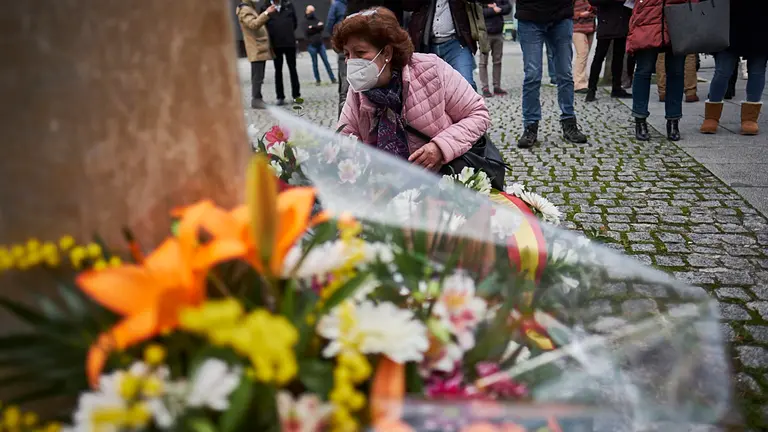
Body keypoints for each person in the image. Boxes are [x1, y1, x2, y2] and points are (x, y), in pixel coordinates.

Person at [335, 7, 490, 172]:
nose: (350, 62)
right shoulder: (358, 91)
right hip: (384, 187)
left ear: (387, 52)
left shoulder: (431, 69)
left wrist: (440, 147)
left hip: (441, 179)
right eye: (346, 54)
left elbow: (478, 114)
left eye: (359, 53)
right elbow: (345, 140)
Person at [514, 0, 588, 148]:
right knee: (532, 75)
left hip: (561, 16)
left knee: (565, 73)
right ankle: (530, 126)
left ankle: (569, 122)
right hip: (529, 16)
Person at [700, 0, 768, 136]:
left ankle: (750, 118)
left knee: (757, 71)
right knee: (722, 71)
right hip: (728, 22)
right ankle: (711, 116)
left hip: (761, 21)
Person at [626, 0, 688, 142]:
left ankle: (674, 120)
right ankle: (640, 119)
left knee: (676, 72)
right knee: (643, 71)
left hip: (678, 16)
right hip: (647, 17)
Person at [404, 0, 479, 89]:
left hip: (457, 44)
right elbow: (407, 6)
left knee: (466, 85)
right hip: (427, 46)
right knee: (430, 90)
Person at [585, 0, 632, 102]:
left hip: (621, 18)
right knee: (599, 56)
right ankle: (591, 89)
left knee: (618, 57)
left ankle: (616, 87)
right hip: (607, 20)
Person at [236, 1, 276, 109]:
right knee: (257, 75)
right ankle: (256, 99)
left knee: (259, 74)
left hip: (259, 46)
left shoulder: (249, 8)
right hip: (256, 47)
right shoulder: (245, 9)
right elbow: (253, 24)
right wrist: (266, 13)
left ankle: (258, 98)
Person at [260, 0, 300, 105]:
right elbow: (263, 25)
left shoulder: (288, 5)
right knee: (278, 70)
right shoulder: (265, 7)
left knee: (293, 69)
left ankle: (296, 95)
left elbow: (295, 23)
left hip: (289, 43)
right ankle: (280, 97)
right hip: (275, 45)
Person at [480, 0, 513, 97]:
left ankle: (497, 86)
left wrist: (499, 8)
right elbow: (478, 11)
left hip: (498, 32)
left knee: (497, 61)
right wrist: (494, 10)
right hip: (484, 33)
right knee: (483, 62)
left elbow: (508, 7)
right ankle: (485, 87)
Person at [304, 5, 337, 85]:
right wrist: (316, 27)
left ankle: (333, 79)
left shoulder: (316, 19)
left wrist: (313, 27)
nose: (312, 13)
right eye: (310, 11)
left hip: (320, 44)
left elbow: (321, 27)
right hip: (311, 45)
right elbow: (307, 30)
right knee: (315, 63)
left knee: (326, 62)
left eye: (313, 11)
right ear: (307, 11)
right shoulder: (305, 21)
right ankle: (318, 80)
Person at [572, 0, 595, 94]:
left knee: (584, 55)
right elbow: (564, 11)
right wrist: (579, 14)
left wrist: (593, 12)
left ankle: (583, 80)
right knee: (583, 53)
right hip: (576, 27)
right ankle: (579, 84)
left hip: (590, 26)